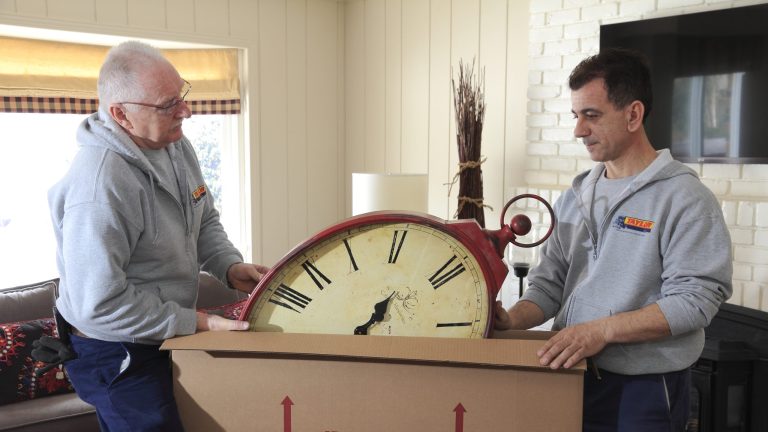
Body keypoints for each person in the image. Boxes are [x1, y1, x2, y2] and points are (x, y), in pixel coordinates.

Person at [495, 48, 732, 431]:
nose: (578, 130)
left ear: (633, 114)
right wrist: (512, 319)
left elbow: (696, 301)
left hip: (645, 389)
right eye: (576, 116)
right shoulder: (575, 196)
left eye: (591, 115)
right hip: (569, 374)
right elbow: (549, 283)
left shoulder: (685, 198)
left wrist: (601, 331)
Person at [47, 40, 268, 431]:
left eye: (182, 93)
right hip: (115, 348)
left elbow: (203, 218)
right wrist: (196, 322)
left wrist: (229, 266)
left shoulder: (174, 145)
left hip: (160, 333)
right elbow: (99, 304)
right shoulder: (99, 187)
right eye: (167, 104)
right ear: (121, 115)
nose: (186, 110)